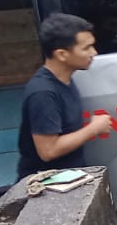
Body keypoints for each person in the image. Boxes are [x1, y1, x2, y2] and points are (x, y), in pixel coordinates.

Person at [18, 13, 109, 178]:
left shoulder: (65, 78)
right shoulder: (43, 93)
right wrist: (94, 128)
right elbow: (48, 150)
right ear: (61, 54)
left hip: (68, 179)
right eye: (86, 48)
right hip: (48, 187)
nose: (94, 53)